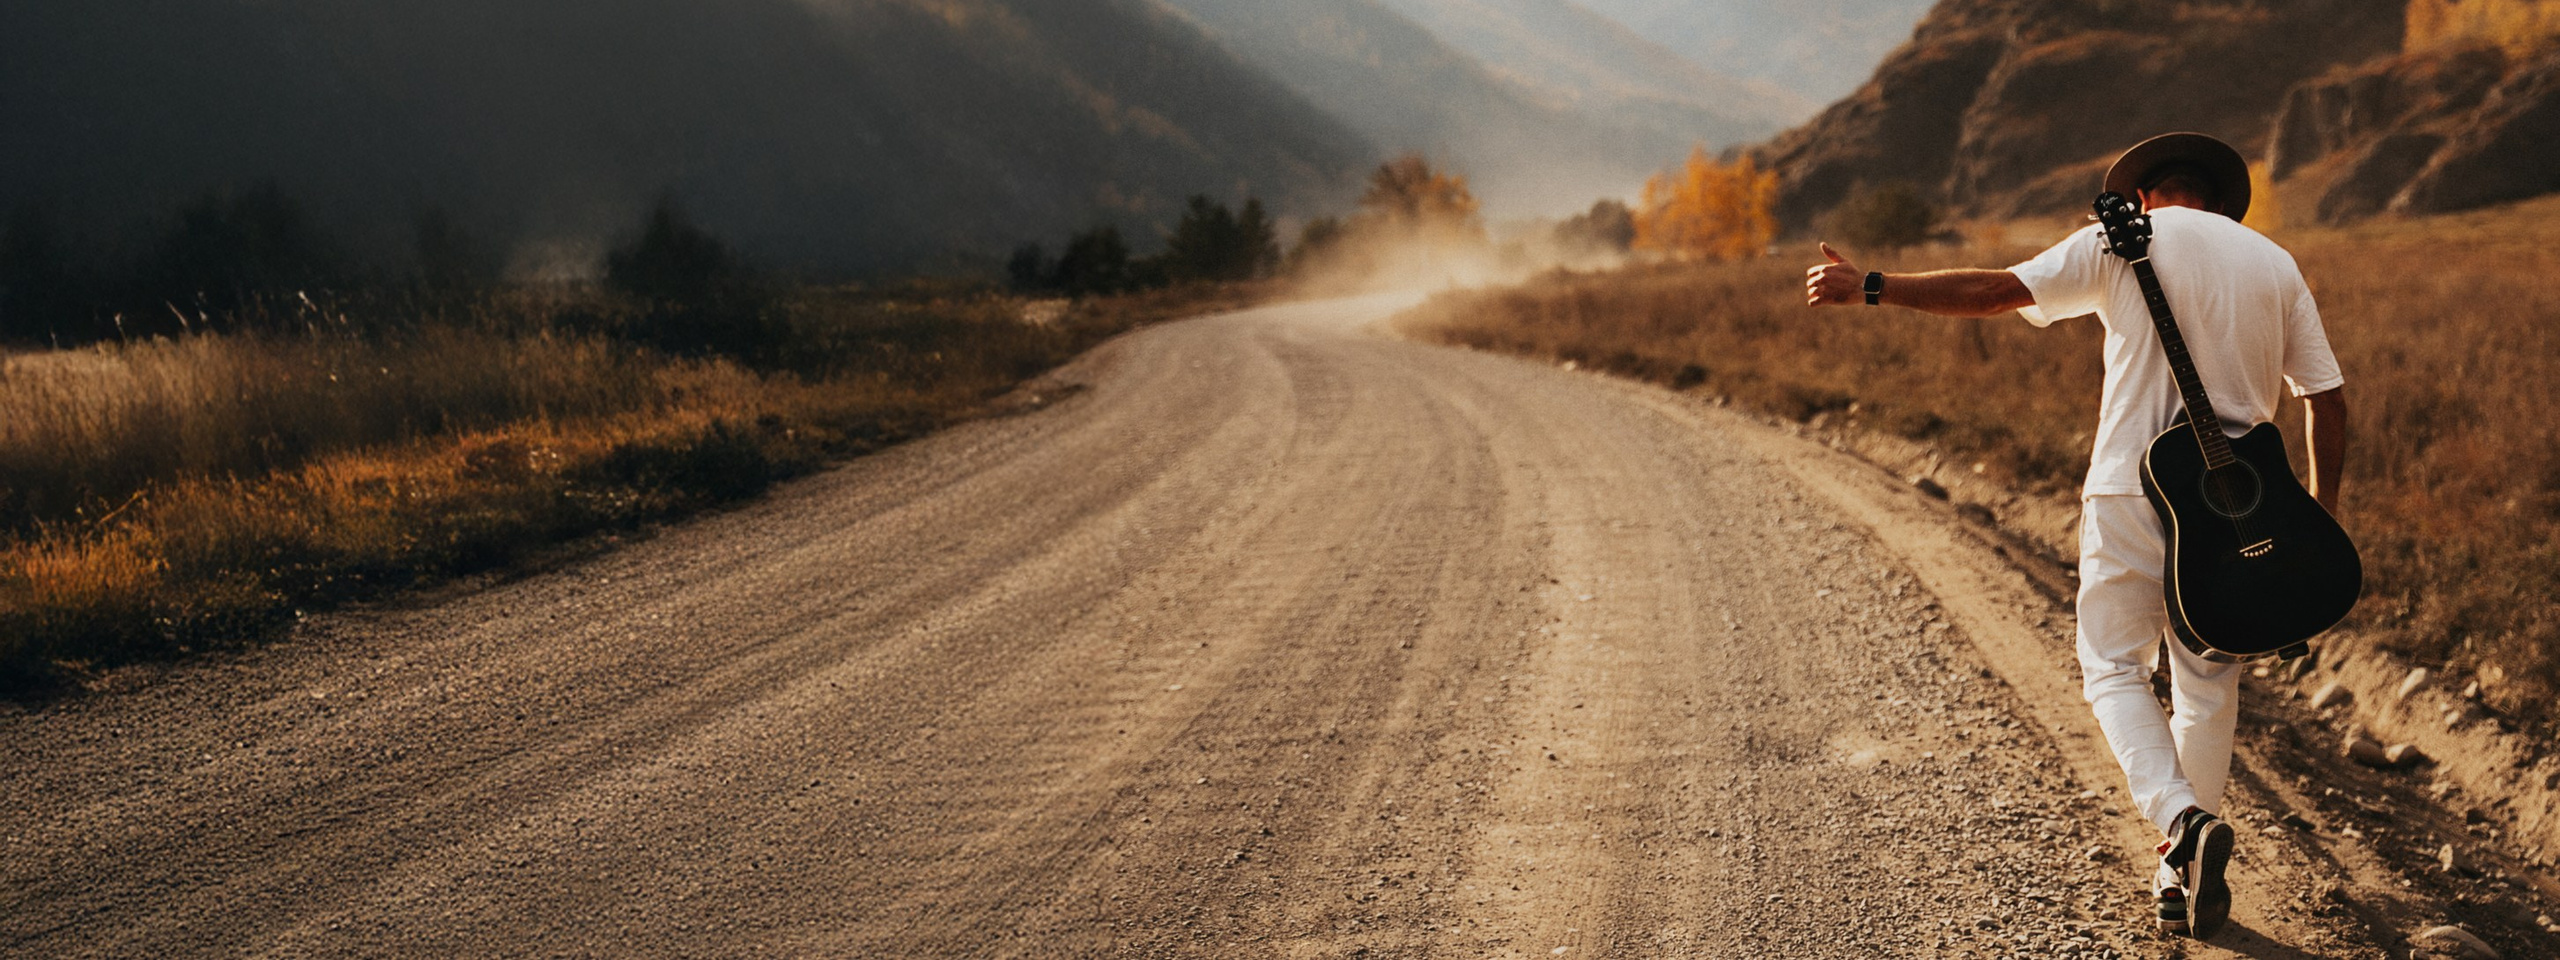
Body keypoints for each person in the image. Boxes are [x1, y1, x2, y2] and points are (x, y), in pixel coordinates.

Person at [1802, 132, 2350, 940]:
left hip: (2133, 488)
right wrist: (2320, 513)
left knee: (2112, 670)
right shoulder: (2274, 263)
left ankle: (2179, 821)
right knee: (2207, 687)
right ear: (2214, 196)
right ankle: (2180, 871)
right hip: (2242, 514)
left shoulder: (2121, 240)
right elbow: (2327, 401)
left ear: (2145, 196)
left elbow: (1996, 292)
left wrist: (1870, 285)